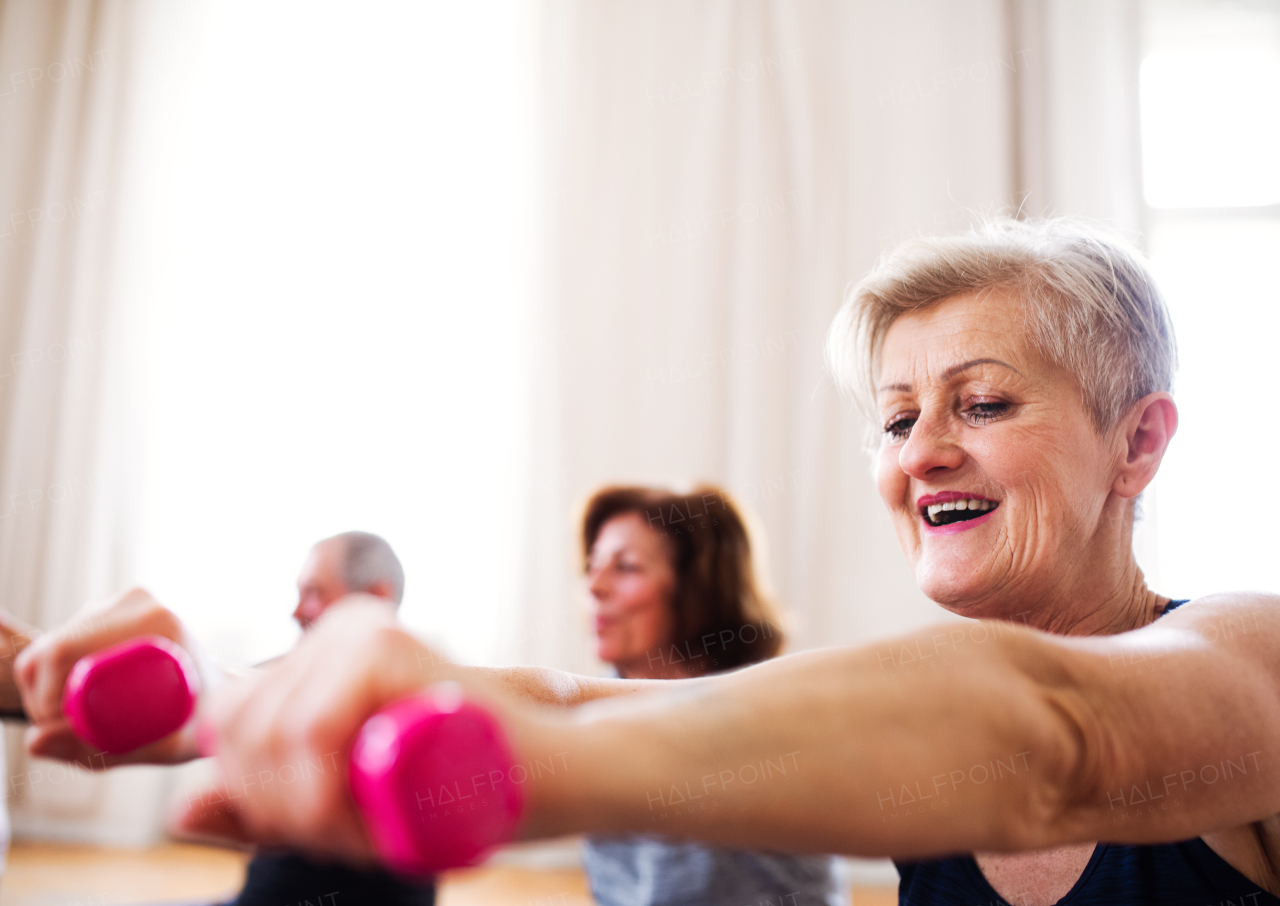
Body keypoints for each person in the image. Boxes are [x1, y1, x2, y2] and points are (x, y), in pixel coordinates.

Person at [15, 218, 1280, 904]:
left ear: (1137, 442)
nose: (921, 454)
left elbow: (1055, 744)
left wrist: (512, 768)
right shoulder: (900, 712)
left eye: (982, 403)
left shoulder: (1250, 658)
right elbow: (563, 695)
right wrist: (210, 700)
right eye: (894, 421)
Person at [579, 485, 840, 906]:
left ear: (696, 589)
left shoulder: (766, 721)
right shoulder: (597, 710)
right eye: (593, 565)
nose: (593, 585)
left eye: (626, 567)